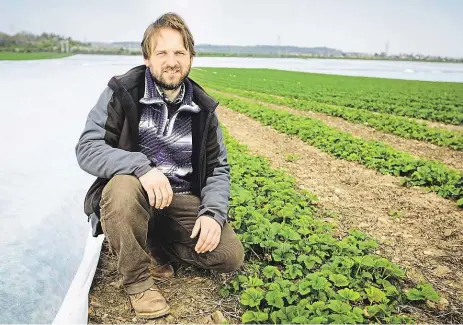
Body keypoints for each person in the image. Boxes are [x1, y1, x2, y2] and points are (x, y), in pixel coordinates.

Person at [75, 12, 245, 319]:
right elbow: (87, 148)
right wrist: (141, 167)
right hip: (136, 192)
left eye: (180, 52)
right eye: (162, 52)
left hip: (179, 199)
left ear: (191, 57)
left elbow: (219, 167)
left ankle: (156, 241)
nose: (171, 61)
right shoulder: (122, 92)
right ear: (147, 58)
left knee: (229, 255)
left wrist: (213, 214)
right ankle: (138, 280)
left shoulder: (203, 109)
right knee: (123, 188)